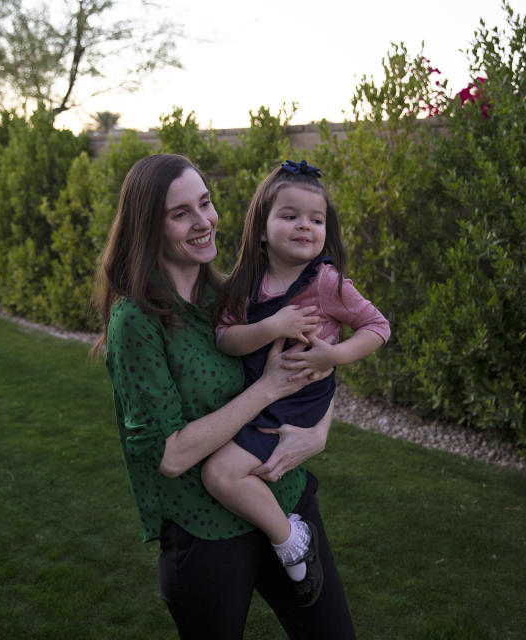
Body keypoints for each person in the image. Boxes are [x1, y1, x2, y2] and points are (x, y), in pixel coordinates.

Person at [93, 153, 356, 639]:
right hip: (205, 531)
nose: (203, 222)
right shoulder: (137, 321)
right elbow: (169, 456)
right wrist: (267, 388)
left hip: (283, 501)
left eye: (206, 203)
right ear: (148, 227)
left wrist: (317, 431)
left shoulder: (234, 295)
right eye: (180, 213)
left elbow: (319, 353)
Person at [202, 159, 390, 603]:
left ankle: (290, 542)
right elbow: (226, 339)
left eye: (316, 219)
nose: (305, 225)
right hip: (259, 395)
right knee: (220, 467)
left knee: (219, 473)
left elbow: (377, 327)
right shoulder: (245, 284)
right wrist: (273, 326)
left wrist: (334, 354)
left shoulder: (327, 282)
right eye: (290, 216)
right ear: (262, 229)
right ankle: (288, 535)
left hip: (294, 405)